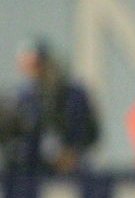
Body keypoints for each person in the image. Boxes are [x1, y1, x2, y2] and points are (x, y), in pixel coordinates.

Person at [14, 39, 100, 173]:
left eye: (37, 64)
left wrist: (72, 152)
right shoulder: (23, 98)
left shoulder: (74, 94)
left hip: (74, 169)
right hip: (34, 171)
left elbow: (92, 133)